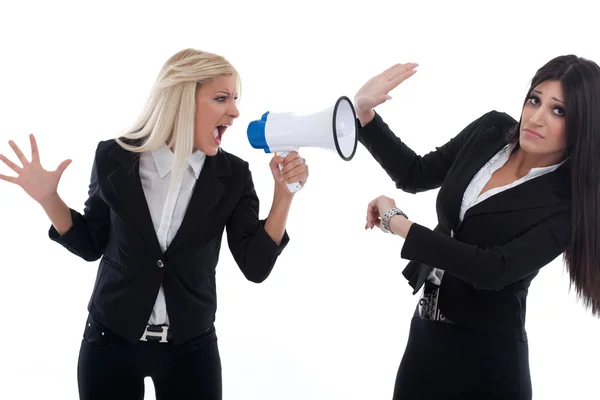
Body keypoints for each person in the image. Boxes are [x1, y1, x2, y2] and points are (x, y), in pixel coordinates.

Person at [0, 48, 309, 400]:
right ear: (181, 98)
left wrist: (284, 197)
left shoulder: (234, 175)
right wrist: (48, 199)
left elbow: (255, 266)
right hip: (109, 341)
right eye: (221, 98)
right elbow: (90, 244)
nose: (235, 112)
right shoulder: (114, 157)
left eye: (235, 99)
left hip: (191, 348)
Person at [354, 56, 600, 399]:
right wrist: (364, 114)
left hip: (489, 357)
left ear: (583, 125)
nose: (537, 117)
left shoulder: (572, 204)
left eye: (559, 111)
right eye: (535, 99)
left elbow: (492, 269)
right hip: (428, 328)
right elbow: (416, 173)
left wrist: (397, 222)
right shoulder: (492, 131)